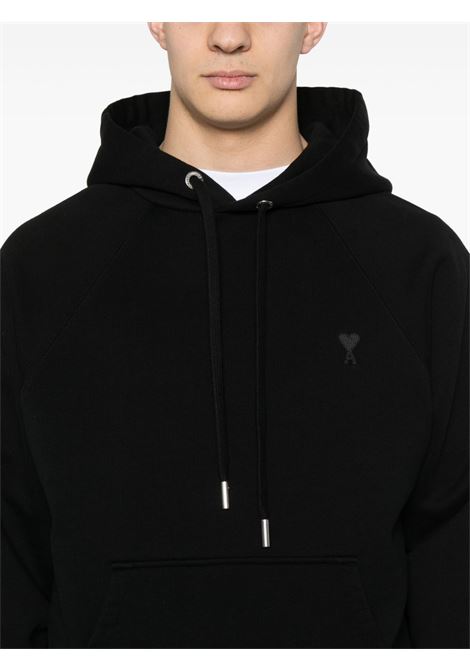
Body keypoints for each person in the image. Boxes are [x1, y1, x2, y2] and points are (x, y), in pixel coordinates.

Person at [1, 22, 468, 649]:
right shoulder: (46, 263)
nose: (228, 36)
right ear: (158, 21)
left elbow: (453, 527)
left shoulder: (414, 259)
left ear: (312, 23)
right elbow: (11, 533)